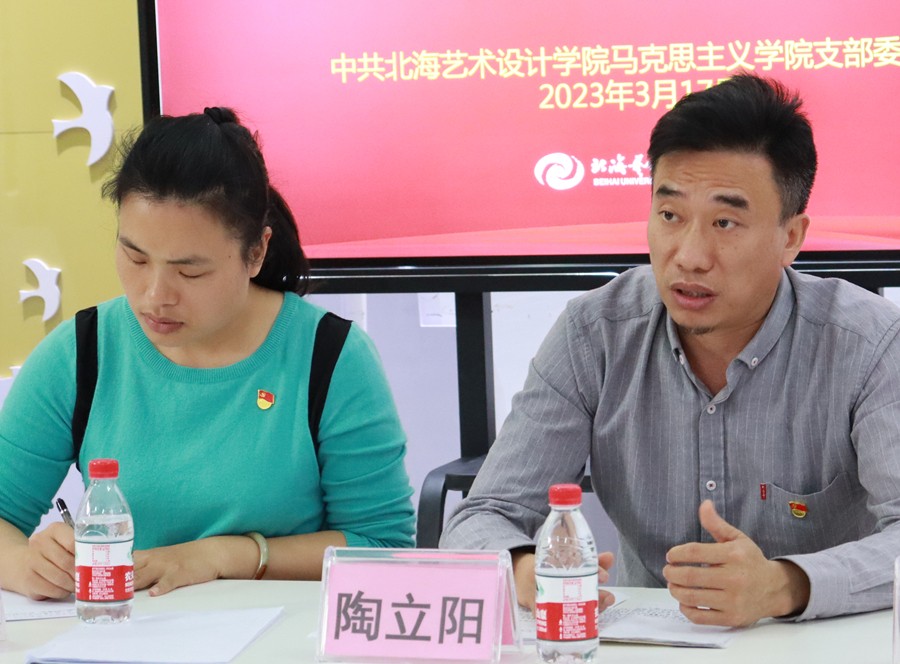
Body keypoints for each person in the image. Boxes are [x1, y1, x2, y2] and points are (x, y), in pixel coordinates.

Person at [441, 73, 900, 627]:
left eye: (725, 222)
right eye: (670, 216)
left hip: (821, 641)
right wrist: (527, 570)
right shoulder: (595, 333)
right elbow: (483, 515)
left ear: (791, 237)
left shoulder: (869, 345)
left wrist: (785, 585)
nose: (689, 255)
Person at [0, 107, 416, 600]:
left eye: (190, 271)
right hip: (127, 632)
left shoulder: (330, 358)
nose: (155, 295)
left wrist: (225, 556)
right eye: (135, 257)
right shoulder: (81, 352)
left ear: (256, 252)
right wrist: (26, 564)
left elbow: (381, 547)